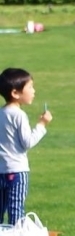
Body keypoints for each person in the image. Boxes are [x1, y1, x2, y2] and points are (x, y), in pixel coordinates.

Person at [0, 68, 52, 225]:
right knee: (16, 212)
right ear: (15, 93)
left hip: (1, 170)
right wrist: (42, 124)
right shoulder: (19, 115)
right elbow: (27, 142)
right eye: (30, 87)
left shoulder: (2, 113)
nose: (33, 91)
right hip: (17, 170)